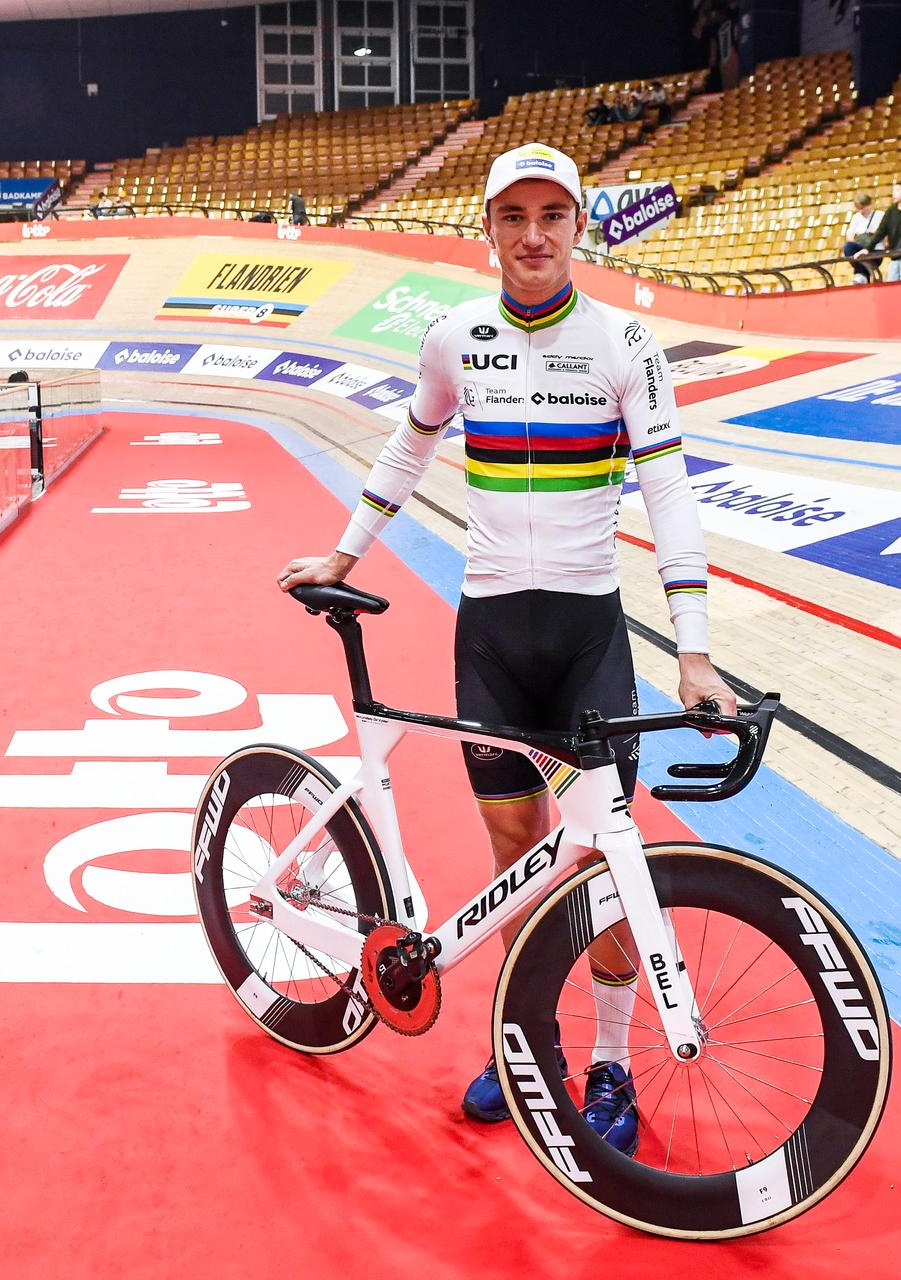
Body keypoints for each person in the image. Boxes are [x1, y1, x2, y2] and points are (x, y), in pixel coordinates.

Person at [277, 141, 733, 1154]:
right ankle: (528, 1042)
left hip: (584, 638)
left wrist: (693, 651)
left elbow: (669, 492)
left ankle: (611, 1062)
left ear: (579, 227)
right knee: (517, 859)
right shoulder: (454, 337)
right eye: (513, 216)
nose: (533, 236)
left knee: (607, 861)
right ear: (487, 227)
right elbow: (410, 441)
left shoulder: (626, 343)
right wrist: (345, 551)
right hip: (489, 636)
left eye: (551, 216)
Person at [840, 193, 884, 283]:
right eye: (859, 208)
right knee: (848, 247)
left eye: (863, 208)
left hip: (875, 249)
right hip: (860, 249)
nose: (861, 211)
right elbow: (849, 235)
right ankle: (862, 275)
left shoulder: (880, 215)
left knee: (862, 258)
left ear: (869, 205)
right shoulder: (856, 217)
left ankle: (861, 275)